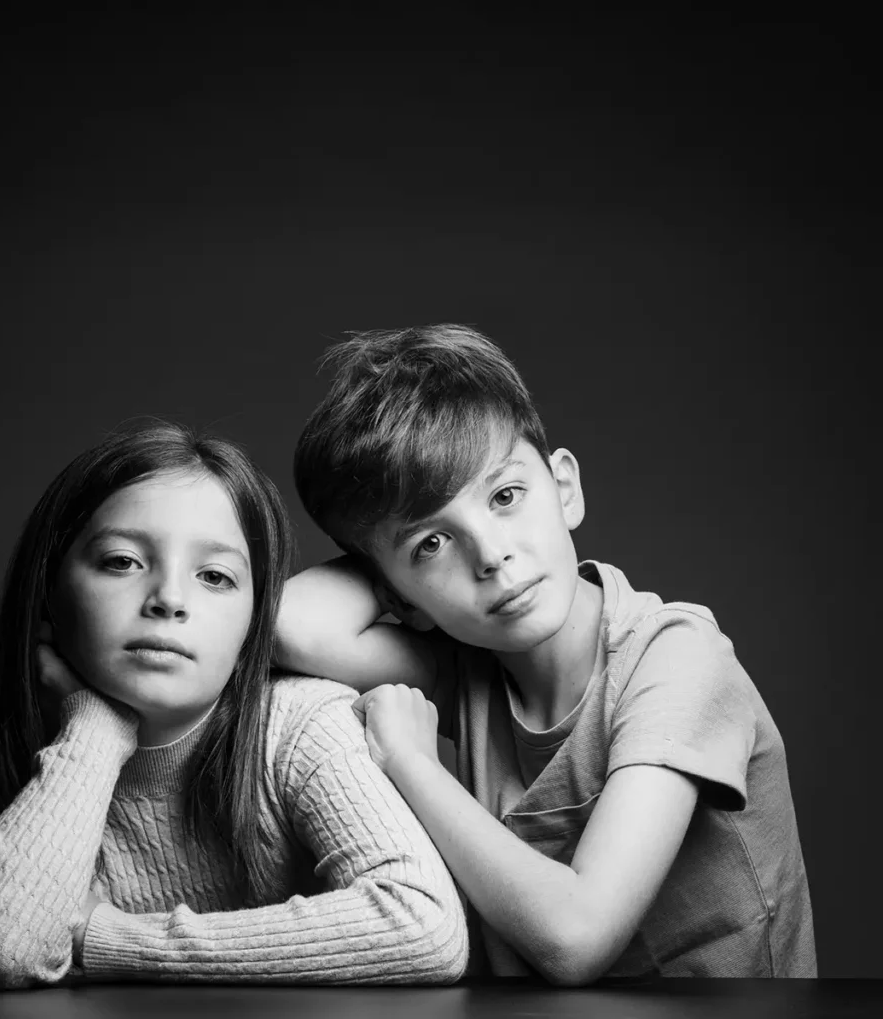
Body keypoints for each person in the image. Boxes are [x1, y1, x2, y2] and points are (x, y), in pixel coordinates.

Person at [275, 324, 816, 984]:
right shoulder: (470, 666)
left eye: (505, 496)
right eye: (436, 545)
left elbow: (576, 938)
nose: (493, 556)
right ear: (398, 595)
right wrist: (395, 562)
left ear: (564, 488)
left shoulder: (675, 657)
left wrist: (414, 765)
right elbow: (289, 627)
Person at [0, 421, 467, 989]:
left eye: (214, 576)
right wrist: (96, 730)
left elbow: (423, 928)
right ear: (49, 593)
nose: (170, 600)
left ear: (253, 621)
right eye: (122, 562)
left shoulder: (302, 727)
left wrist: (110, 937)